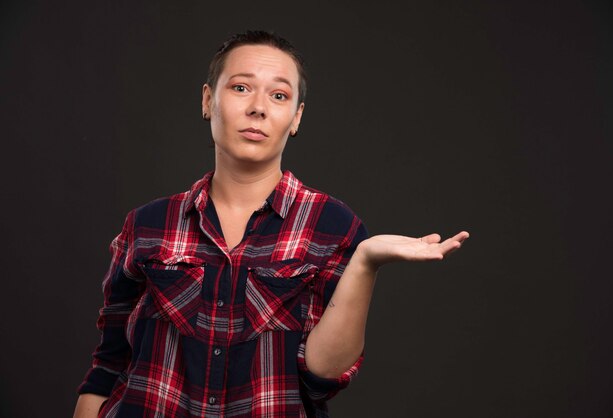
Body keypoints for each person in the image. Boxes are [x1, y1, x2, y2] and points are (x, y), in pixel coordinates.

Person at [73, 30, 469, 418]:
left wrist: (366, 262)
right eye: (241, 88)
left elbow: (323, 377)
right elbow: (108, 366)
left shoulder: (331, 226)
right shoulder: (148, 224)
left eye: (278, 95)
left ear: (295, 118)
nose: (258, 108)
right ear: (208, 100)